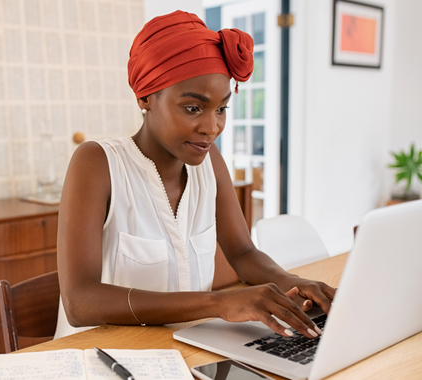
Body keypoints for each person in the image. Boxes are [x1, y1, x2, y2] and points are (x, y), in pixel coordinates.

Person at [54, 10, 335, 339]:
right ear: (145, 97)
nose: (211, 127)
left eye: (221, 109)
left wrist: (293, 282)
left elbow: (243, 253)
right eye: (193, 108)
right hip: (103, 357)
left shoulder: (209, 162)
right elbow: (79, 303)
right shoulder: (98, 163)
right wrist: (218, 303)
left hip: (187, 348)